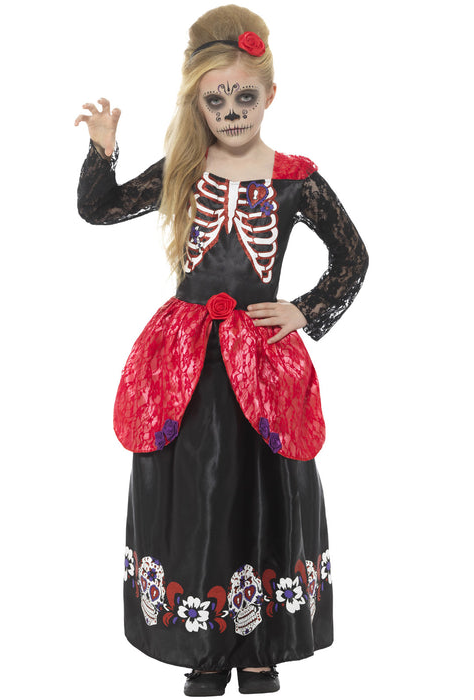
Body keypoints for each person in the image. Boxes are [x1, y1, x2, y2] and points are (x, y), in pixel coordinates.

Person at [74, 4, 369, 696]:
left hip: (260, 359)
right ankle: (202, 644)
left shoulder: (295, 179)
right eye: (216, 101)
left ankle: (260, 643)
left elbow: (353, 258)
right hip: (183, 357)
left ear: (270, 94)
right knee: (197, 490)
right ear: (197, 103)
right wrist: (103, 148)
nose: (231, 112)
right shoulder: (185, 169)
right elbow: (99, 208)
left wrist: (303, 310)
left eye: (244, 98)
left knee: (262, 486)